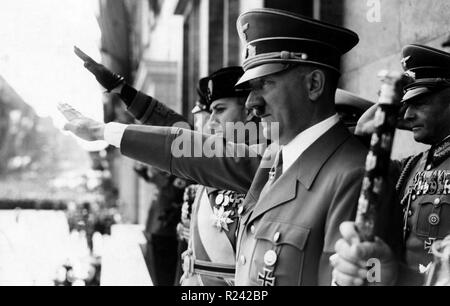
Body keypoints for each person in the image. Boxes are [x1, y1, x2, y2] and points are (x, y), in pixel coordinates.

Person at [61, 8, 401, 285]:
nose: (252, 104)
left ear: (313, 84)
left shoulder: (354, 175)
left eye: (265, 84)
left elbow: (371, 272)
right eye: (249, 89)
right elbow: (186, 148)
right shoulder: (274, 159)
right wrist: (103, 131)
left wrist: (376, 274)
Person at [331, 44, 450, 286]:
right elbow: (363, 134)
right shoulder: (413, 166)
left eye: (420, 102)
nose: (406, 115)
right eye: (405, 106)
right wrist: (387, 113)